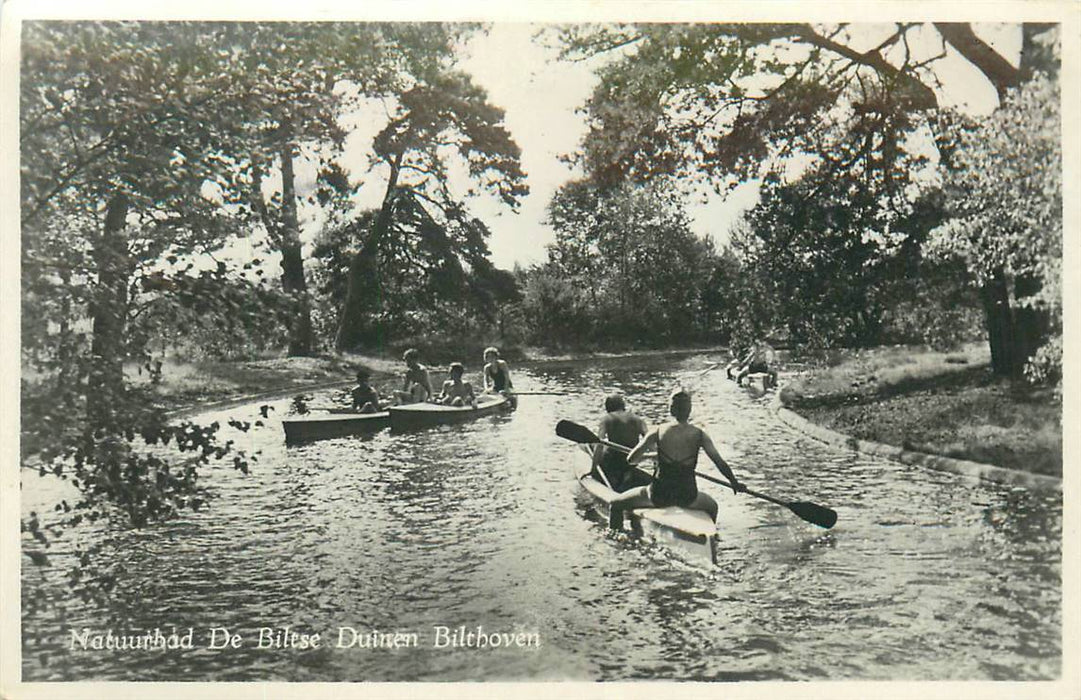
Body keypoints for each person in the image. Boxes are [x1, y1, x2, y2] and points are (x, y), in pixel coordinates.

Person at [608, 390, 746, 529]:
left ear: (671, 409)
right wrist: (734, 482)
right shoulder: (700, 434)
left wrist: (654, 456)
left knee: (615, 504)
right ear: (690, 410)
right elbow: (719, 462)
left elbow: (631, 460)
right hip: (687, 496)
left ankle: (617, 538)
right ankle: (712, 539)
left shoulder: (658, 431)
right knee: (713, 507)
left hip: (659, 495)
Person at [590, 394, 651, 492]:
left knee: (600, 450)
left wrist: (594, 469)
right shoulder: (637, 419)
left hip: (614, 460)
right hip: (632, 458)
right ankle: (628, 475)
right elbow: (650, 443)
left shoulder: (607, 419)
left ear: (608, 408)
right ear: (623, 406)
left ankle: (616, 479)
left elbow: (599, 444)